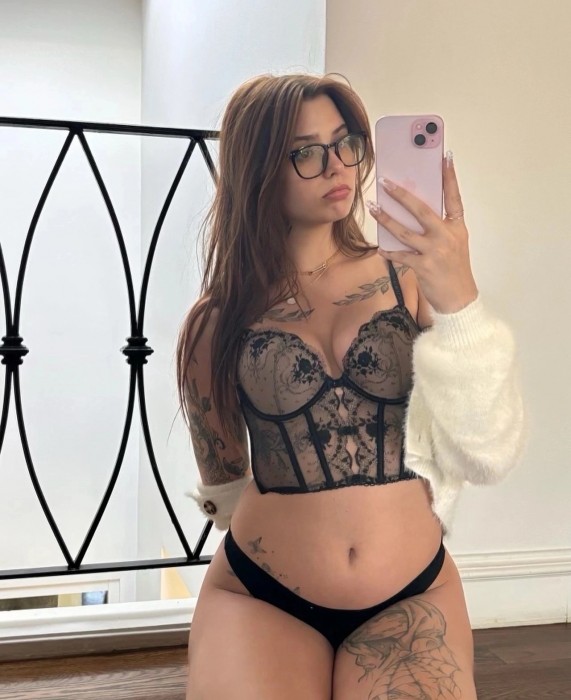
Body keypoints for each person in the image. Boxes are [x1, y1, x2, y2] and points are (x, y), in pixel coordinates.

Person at [176, 73, 526, 700]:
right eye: (306, 152)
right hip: (262, 597)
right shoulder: (216, 322)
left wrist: (461, 297)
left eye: (346, 143)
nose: (337, 164)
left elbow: (487, 451)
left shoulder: (410, 278)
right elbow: (225, 484)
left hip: (410, 592)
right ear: (258, 169)